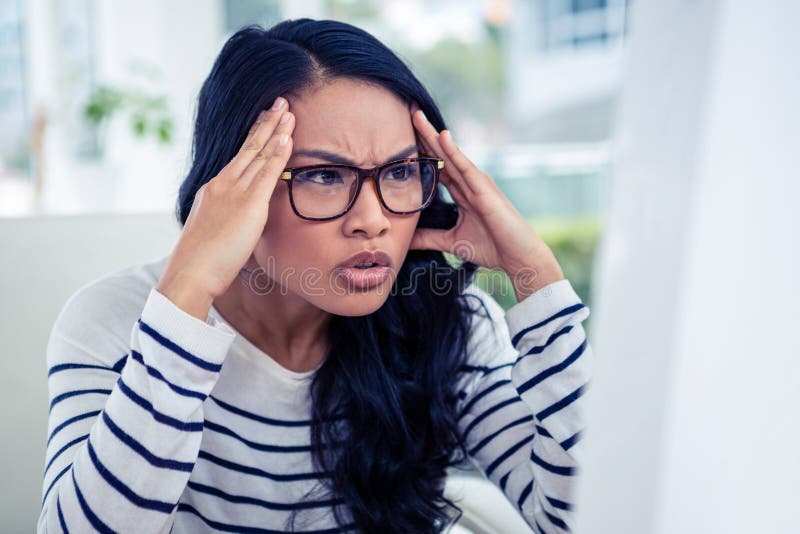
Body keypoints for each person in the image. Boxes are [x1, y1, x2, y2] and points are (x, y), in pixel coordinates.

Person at [38, 18, 592, 534]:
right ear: (231, 185)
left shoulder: (451, 324)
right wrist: (185, 296)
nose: (373, 221)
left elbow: (589, 517)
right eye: (324, 175)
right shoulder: (110, 322)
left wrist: (535, 276)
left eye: (400, 171)